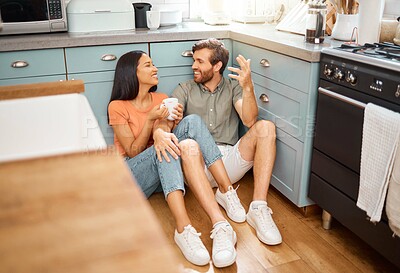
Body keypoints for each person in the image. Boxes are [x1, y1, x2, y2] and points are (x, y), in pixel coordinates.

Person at [107, 50, 243, 268]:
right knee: (166, 146)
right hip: (132, 178)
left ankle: (226, 196)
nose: (155, 69)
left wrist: (173, 123)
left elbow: (169, 132)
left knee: (192, 123)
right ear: (132, 72)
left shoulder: (161, 99)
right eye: (148, 65)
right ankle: (183, 228)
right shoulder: (118, 106)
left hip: (163, 176)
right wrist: (153, 123)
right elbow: (133, 151)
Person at [170, 38, 282, 246]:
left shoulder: (232, 88)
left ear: (217, 66)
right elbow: (170, 119)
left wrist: (248, 87)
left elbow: (249, 120)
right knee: (189, 144)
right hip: (197, 166)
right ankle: (224, 195)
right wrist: (172, 120)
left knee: (266, 128)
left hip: (228, 162)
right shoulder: (184, 88)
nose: (194, 66)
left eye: (200, 62)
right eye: (194, 61)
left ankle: (258, 208)